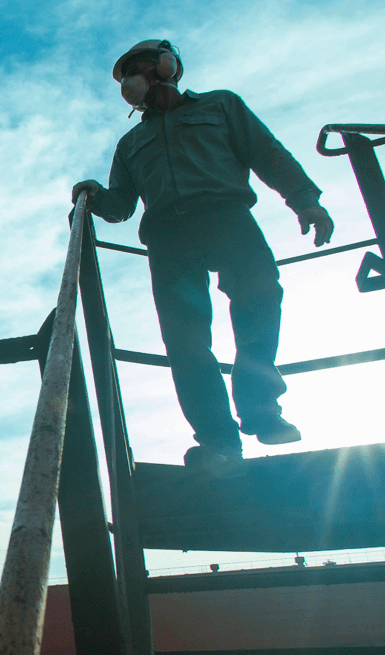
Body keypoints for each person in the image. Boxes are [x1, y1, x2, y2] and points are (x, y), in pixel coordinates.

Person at [72, 39, 334, 470]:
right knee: (186, 340)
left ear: (167, 65)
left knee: (261, 298)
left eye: (141, 67)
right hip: (169, 238)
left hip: (227, 218)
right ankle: (218, 441)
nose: (135, 80)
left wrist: (304, 199)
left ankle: (261, 411)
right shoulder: (130, 143)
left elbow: (266, 153)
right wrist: (94, 195)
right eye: (127, 76)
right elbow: (120, 206)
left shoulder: (220, 106)